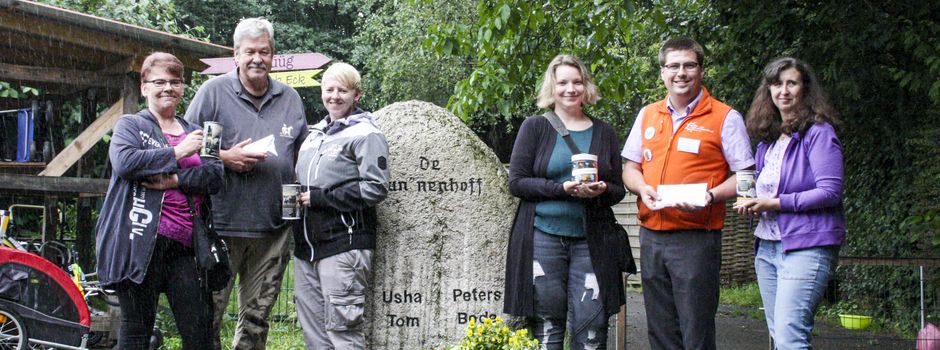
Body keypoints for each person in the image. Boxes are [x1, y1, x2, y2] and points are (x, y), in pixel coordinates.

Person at [620, 37, 755, 350]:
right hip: (652, 235)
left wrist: (709, 196)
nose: (681, 72)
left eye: (689, 65)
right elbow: (630, 168)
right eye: (673, 66)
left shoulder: (725, 117)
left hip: (697, 238)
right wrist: (642, 187)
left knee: (696, 330)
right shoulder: (647, 115)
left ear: (701, 71)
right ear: (663, 72)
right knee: (661, 330)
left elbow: (746, 178)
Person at [184, 17, 309, 350]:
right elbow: (187, 145)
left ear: (273, 56)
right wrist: (226, 157)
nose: (258, 58)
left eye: (264, 51)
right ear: (235, 54)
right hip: (221, 227)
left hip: (273, 231)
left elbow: (302, 157)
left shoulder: (290, 98)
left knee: (257, 320)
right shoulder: (213, 93)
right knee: (208, 315)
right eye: (250, 51)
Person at [95, 52, 222, 349]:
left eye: (175, 81)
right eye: (159, 81)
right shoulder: (131, 126)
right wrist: (178, 153)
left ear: (182, 87)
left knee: (199, 331)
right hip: (140, 243)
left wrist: (174, 180)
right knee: (136, 331)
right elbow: (126, 163)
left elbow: (215, 177)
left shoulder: (197, 131)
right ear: (144, 88)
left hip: (186, 247)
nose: (168, 88)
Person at [503, 54, 627, 349]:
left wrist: (600, 190)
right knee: (547, 324)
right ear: (552, 87)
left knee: (592, 323)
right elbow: (517, 182)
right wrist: (562, 189)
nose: (570, 89)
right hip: (542, 238)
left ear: (586, 86)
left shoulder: (605, 132)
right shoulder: (535, 127)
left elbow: (618, 189)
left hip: (591, 241)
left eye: (577, 82)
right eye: (563, 83)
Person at [735, 57, 844, 349]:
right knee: (780, 335)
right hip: (767, 247)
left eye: (791, 83)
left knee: (790, 337)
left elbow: (830, 192)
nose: (783, 90)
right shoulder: (768, 142)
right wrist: (751, 203)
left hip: (806, 245)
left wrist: (774, 203)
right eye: (776, 83)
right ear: (768, 90)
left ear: (804, 89)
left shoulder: (819, 132)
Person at [294, 62, 390, 349]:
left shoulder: (366, 133)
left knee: (342, 330)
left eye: (342, 90)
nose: (334, 96)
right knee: (314, 333)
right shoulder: (314, 134)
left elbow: (375, 187)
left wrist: (322, 198)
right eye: (329, 89)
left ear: (356, 95)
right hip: (306, 245)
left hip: (343, 243)